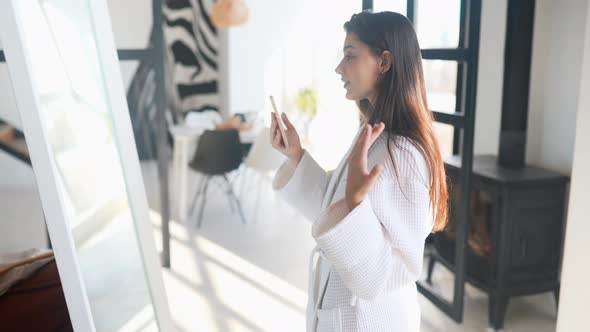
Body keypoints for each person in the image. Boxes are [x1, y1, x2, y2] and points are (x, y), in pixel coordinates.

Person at [270, 11, 448, 331]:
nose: (339, 68)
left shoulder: (403, 153)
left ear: (384, 62)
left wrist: (354, 204)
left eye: (350, 56)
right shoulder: (376, 132)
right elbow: (333, 205)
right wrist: (296, 154)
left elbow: (397, 270)